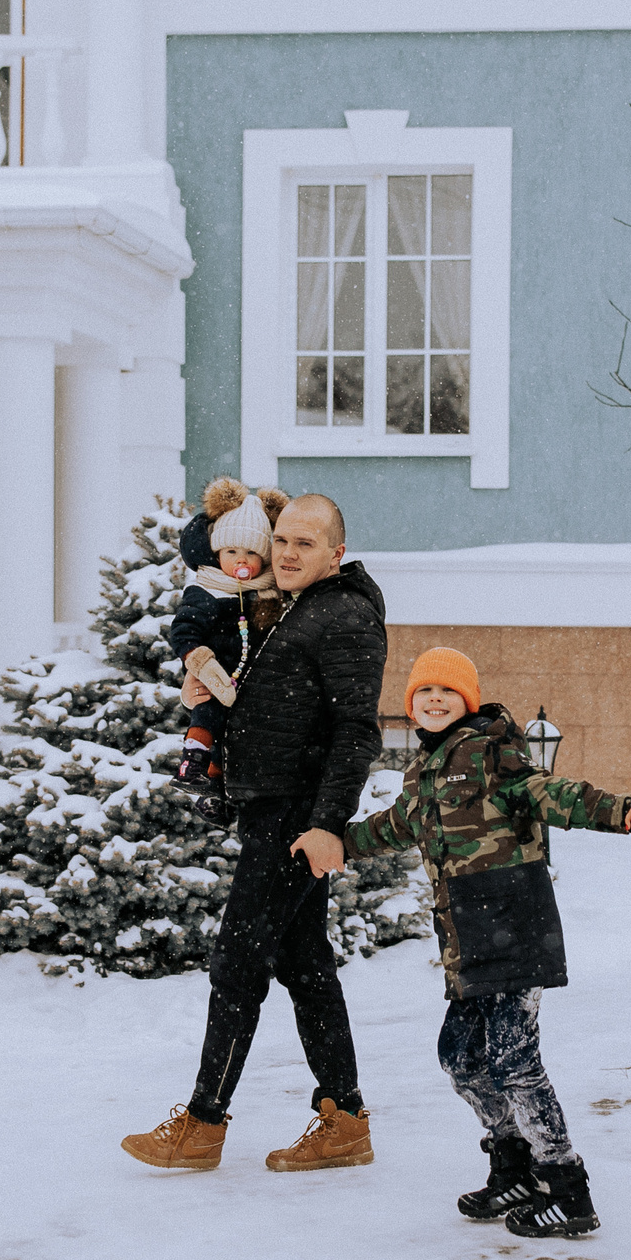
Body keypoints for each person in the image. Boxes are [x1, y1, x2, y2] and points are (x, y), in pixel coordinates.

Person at [123, 493, 388, 1174]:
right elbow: (263, 693)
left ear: (337, 551)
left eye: (306, 542)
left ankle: (204, 1123)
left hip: (294, 818)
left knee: (237, 961)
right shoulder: (292, 605)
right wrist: (205, 691)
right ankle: (345, 1119)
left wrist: (329, 823)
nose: (288, 552)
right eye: (282, 540)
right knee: (304, 965)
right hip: (274, 810)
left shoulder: (345, 615)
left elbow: (357, 730)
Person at [345, 648, 631, 1239]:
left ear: (470, 701)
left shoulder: (493, 752)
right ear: (411, 708)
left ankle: (568, 1188)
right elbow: (393, 826)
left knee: (514, 1059)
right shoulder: (423, 771)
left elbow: (555, 794)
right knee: (460, 1059)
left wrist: (624, 813)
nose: (435, 700)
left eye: (448, 693)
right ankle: (514, 1165)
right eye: (424, 693)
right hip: (466, 938)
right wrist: (337, 844)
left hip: (515, 927)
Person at [167, 479, 287, 822]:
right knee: (209, 715)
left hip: (251, 685)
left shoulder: (268, 594)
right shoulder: (206, 591)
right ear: (217, 554)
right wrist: (196, 657)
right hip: (216, 675)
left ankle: (218, 795)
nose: (241, 560)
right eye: (232, 552)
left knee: (233, 741)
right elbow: (185, 628)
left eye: (251, 553)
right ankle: (193, 759)